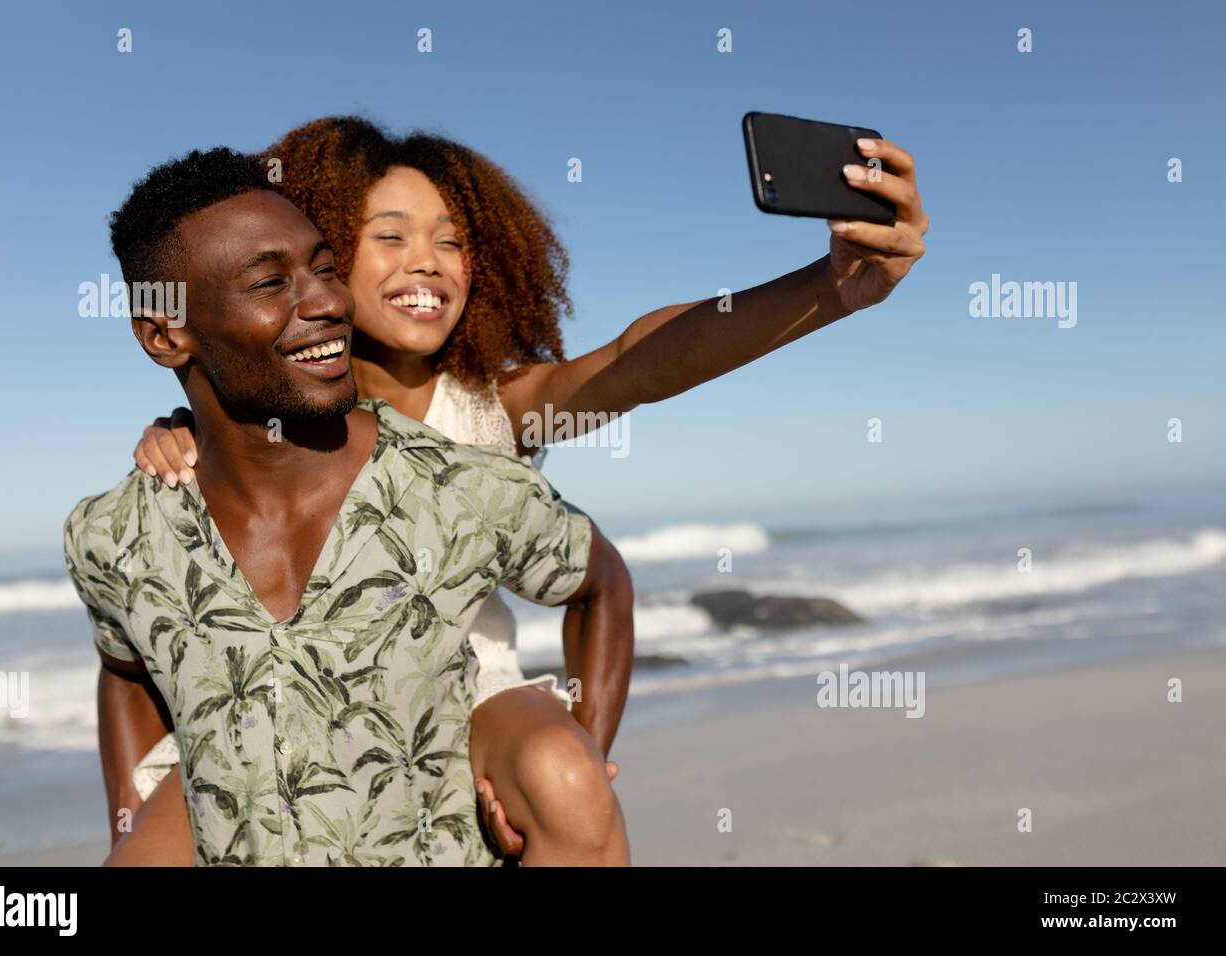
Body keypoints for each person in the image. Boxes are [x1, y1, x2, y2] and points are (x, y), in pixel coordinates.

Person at [123, 113, 929, 861]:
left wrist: (829, 287)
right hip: (269, 715)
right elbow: (138, 633)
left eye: (451, 241)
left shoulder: (496, 412)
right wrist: (179, 430)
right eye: (391, 237)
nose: (428, 262)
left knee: (562, 776)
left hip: (466, 701)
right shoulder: (244, 418)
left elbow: (636, 361)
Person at [66, 147, 634, 866]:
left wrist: (583, 748)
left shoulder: (456, 484)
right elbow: (124, 667)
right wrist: (129, 816)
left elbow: (602, 579)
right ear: (164, 334)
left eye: (327, 269)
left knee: (566, 781)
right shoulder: (115, 533)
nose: (330, 302)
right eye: (271, 282)